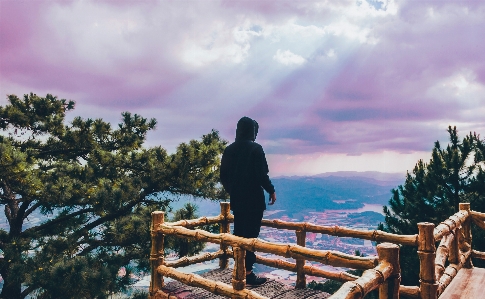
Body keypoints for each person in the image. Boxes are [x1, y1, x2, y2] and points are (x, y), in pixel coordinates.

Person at [220, 116, 277, 286]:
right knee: (251, 236)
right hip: (254, 201)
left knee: (239, 233)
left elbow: (223, 176)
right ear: (253, 131)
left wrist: (234, 190)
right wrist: (271, 190)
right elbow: (261, 175)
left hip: (238, 200)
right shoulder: (256, 149)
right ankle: (248, 273)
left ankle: (239, 268)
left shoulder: (229, 150)